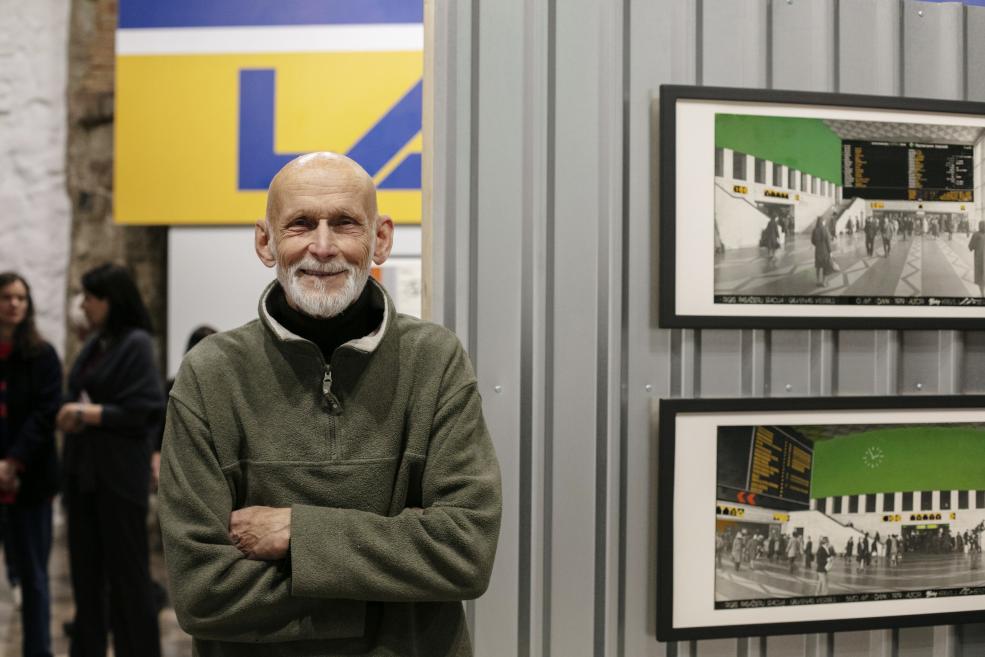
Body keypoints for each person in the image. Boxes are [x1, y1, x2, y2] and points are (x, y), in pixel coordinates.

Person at [159, 152, 503, 657]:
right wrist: (390, 597)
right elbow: (201, 591)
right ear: (265, 241)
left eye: (344, 223)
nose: (322, 247)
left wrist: (299, 532)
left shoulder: (434, 360)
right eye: (300, 225)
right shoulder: (210, 374)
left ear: (380, 238)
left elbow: (465, 550)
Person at [57, 264, 164, 657]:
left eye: (89, 297)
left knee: (128, 579)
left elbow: (145, 409)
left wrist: (87, 415)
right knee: (86, 579)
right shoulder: (98, 342)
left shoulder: (135, 343)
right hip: (86, 477)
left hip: (118, 479)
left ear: (109, 300)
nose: (83, 305)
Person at [0, 272, 61, 657]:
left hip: (31, 481)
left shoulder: (42, 354)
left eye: (21, 298)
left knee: (34, 579)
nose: (14, 304)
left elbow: (45, 413)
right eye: (7, 297)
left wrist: (12, 462)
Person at [811, 217, 832, 286]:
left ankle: (817, 281)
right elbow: (828, 241)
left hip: (817, 250)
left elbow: (812, 241)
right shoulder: (825, 229)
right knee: (825, 266)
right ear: (822, 222)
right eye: (824, 221)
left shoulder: (814, 230)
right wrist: (830, 251)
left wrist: (817, 245)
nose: (825, 222)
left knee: (818, 266)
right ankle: (824, 282)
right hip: (825, 250)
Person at [969, 221, 985, 297]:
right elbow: (971, 247)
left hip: (980, 259)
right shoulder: (976, 235)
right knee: (981, 276)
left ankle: (982, 293)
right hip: (980, 259)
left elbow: (970, 247)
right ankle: (982, 293)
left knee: (980, 276)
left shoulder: (976, 234)